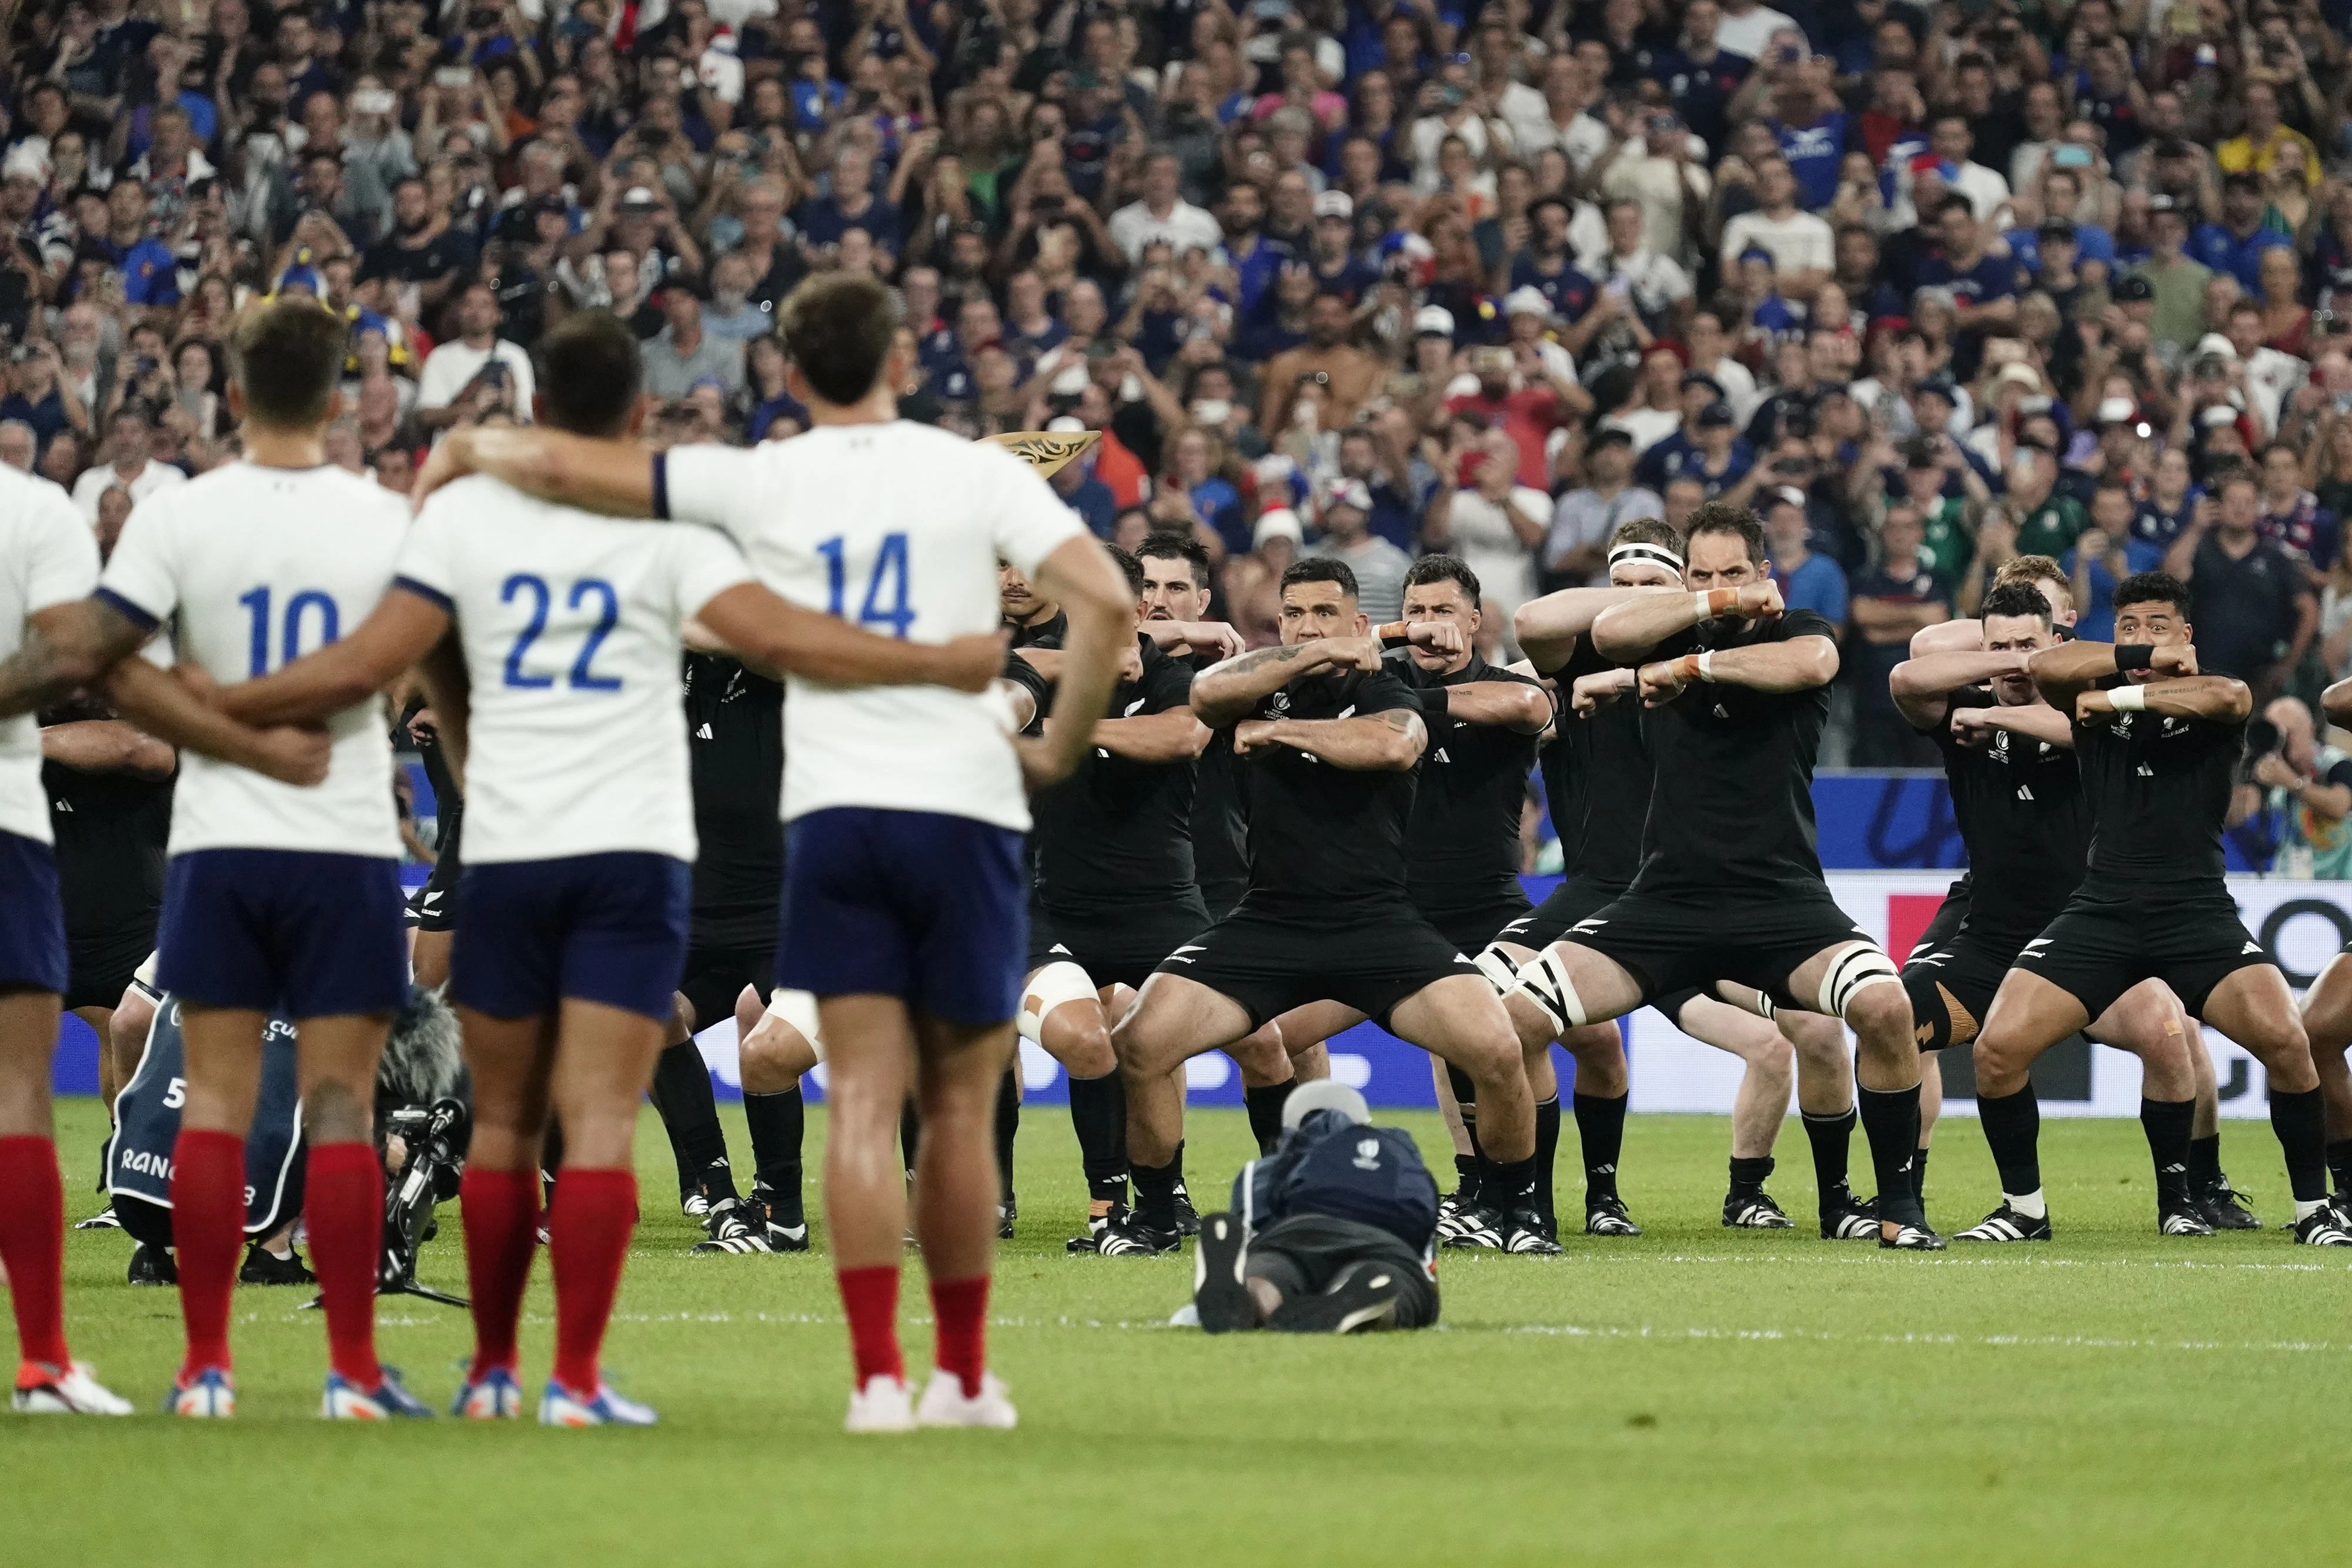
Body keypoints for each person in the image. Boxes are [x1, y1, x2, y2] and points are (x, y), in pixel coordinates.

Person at [218, 309, 1005, 1421]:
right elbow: (789, 641)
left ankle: (493, 1373)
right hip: (628, 859)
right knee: (598, 1124)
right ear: (639, 412)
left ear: (537, 413)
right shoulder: (668, 539)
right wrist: (944, 655)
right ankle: (575, 1382)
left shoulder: (463, 533)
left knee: (501, 1122)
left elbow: (379, 667)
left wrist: (231, 711)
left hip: (507, 853)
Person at [409, 272, 1134, 1433]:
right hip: (960, 809)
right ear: (901, 355)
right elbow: (1100, 597)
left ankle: (873, 1383)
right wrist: (1055, 749)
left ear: (786, 369)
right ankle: (958, 1374)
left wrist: (472, 450)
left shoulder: (756, 475)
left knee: (856, 1101)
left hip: (835, 815)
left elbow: (582, 464)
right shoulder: (978, 471)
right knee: (955, 1103)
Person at [0, 301, 425, 1417]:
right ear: (339, 395)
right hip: (340, 845)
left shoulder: (179, 520)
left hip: (219, 843)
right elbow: (410, 674)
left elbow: (93, 652)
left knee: (216, 1104)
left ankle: (204, 1369)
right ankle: (350, 1373)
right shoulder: (385, 520)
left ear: (232, 395)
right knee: (339, 1107)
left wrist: (212, 723)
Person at [1504, 503, 1943, 1248]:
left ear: (1764, 574)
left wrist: (1689, 666)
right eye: (1702, 573)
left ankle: (1893, 1206)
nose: (1720, 586)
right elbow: (1580, 630)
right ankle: (1516, 1208)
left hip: (1782, 901)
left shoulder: (1796, 629)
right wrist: (1693, 607)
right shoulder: (1662, 628)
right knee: (1510, 1021)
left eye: (1733, 572)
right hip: (1664, 901)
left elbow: (1809, 666)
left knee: (1884, 1009)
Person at [1107, 558, 1546, 1253]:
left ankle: (1516, 1211)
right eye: (1293, 614)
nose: (1306, 625)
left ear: (1360, 625)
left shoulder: (1386, 684)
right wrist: (1305, 656)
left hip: (1379, 923)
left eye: (1324, 614)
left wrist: (1283, 735)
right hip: (1269, 921)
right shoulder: (1260, 684)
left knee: (1495, 1048)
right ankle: (1157, 1217)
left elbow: (1395, 745)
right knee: (1139, 1042)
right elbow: (1207, 698)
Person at [1961, 573, 2348, 1246]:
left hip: (2195, 910)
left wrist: (2117, 698)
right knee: (1997, 1049)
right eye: (2129, 626)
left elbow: (2231, 696)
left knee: (2288, 1044)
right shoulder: (2085, 682)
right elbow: (2043, 663)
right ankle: (2024, 1210)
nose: (2142, 636)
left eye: (2157, 625)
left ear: (2186, 635)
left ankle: (2314, 1208)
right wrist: (2127, 670)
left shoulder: (2203, 694)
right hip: (2100, 908)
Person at [1889, 582, 2214, 1237]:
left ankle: (2180, 1200)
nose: (2012, 661)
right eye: (1997, 647)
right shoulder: (1962, 710)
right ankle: (1916, 1203)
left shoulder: (2095, 709)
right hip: (1991, 936)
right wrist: (2002, 665)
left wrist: (2003, 711)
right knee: (1893, 1021)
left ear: (2059, 648)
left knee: (2169, 1034)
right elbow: (1906, 678)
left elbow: (2071, 730)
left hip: (2090, 938)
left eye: (2027, 647)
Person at [1255, 557, 1561, 1247]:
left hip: (1490, 913)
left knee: (1495, 1035)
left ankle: (1513, 1200)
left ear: (1476, 621)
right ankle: (1299, 1182)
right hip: (1392, 919)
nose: (1429, 627)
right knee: (1272, 1039)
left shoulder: (1503, 687)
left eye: (1443, 612)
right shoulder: (1378, 690)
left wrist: (1398, 703)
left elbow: (1524, 707)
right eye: (1414, 613)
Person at [0, 462, 138, 1415]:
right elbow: (68, 656)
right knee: (20, 1094)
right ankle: (43, 1360)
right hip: (7, 824)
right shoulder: (33, 508)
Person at [1191, 1081, 1439, 1334]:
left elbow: (1255, 1234)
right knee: (1394, 1285)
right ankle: (1355, 1299)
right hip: (1383, 1244)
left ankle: (1251, 1298)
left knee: (1271, 1272)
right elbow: (1424, 1255)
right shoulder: (1398, 1159)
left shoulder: (1267, 1169)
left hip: (1298, 1234)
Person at [2228, 696, 2352, 879]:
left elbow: (2340, 807)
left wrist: (2292, 783)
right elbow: (2233, 817)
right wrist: (2243, 765)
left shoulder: (2334, 764)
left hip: (2339, 882)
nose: (2282, 742)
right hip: (2292, 881)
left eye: (2289, 733)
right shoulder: (2272, 768)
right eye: (2275, 733)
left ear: (2310, 731)